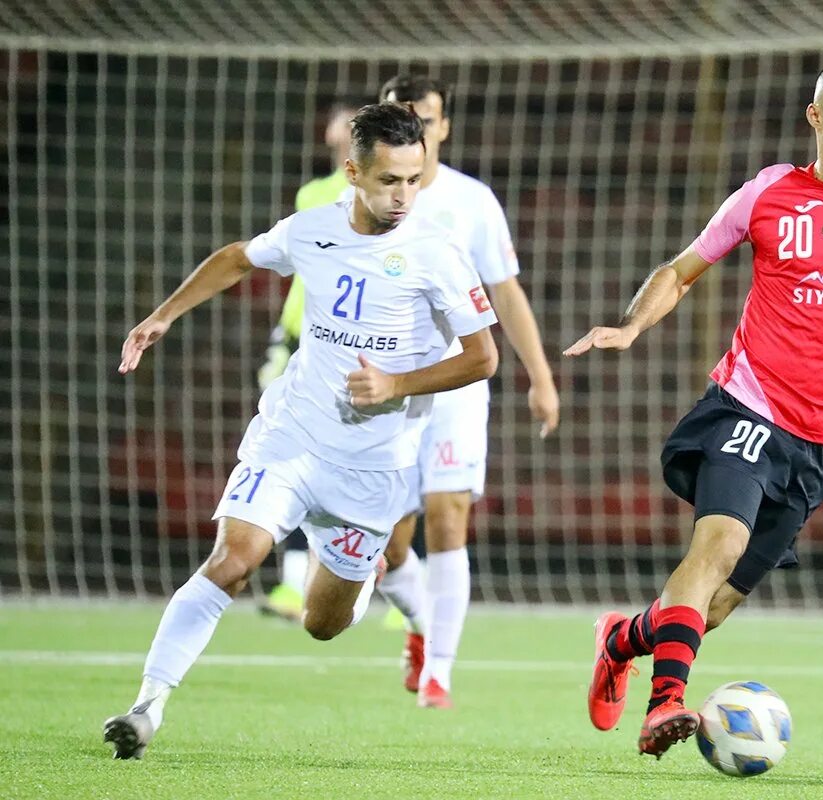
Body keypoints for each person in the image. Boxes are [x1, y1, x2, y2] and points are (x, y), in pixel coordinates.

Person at [565, 59, 823, 758]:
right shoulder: (771, 193)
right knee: (718, 546)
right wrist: (629, 326)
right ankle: (665, 704)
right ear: (817, 117)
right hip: (749, 407)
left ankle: (620, 640)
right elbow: (682, 269)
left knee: (716, 606)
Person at [103, 103, 499, 760]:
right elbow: (237, 257)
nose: (403, 194)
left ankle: (369, 568)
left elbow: (484, 357)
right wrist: (163, 315)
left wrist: (396, 385)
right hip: (291, 437)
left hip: (373, 467)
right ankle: (147, 707)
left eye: (413, 177)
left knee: (323, 624)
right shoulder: (311, 229)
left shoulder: (437, 252)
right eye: (388, 180)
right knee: (231, 562)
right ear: (353, 172)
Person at [365, 74, 559, 708]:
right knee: (389, 539)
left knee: (449, 517)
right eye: (404, 113)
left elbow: (505, 292)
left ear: (443, 126)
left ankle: (439, 671)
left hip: (454, 381)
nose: (417, 123)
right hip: (383, 381)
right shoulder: (365, 200)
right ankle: (423, 625)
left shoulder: (473, 201)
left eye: (427, 115)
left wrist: (539, 374)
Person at [257, 98, 361, 624]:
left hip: (360, 344)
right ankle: (295, 581)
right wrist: (282, 337)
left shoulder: (382, 193)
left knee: (368, 461)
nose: (339, 130)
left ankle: (382, 579)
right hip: (308, 343)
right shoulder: (313, 195)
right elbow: (301, 277)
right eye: (336, 122)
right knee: (300, 454)